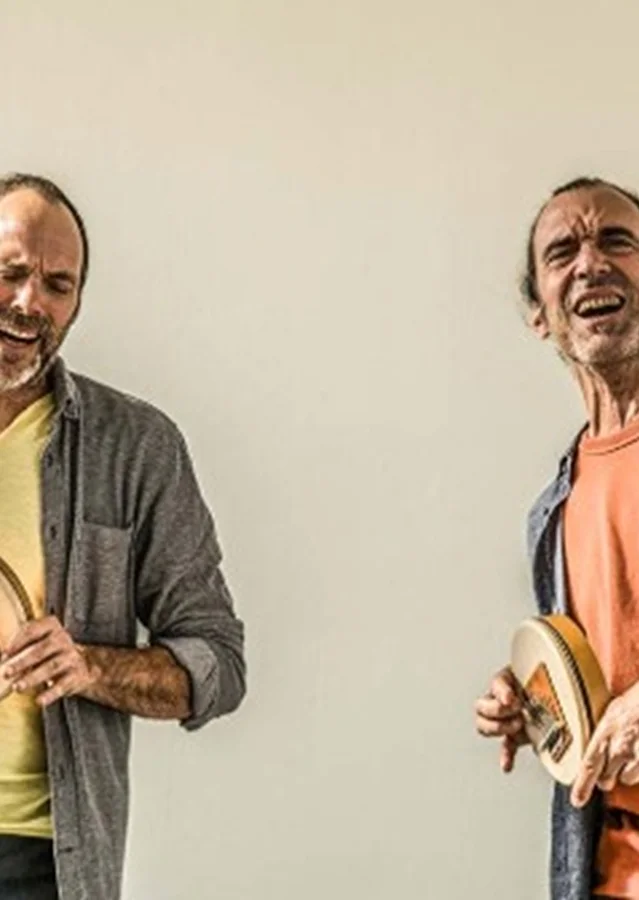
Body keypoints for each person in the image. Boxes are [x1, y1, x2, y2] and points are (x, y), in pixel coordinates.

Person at [0, 173, 246, 900]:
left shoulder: (135, 449)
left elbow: (218, 664)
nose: (30, 302)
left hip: (41, 864)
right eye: (10, 272)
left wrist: (88, 666)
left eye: (58, 285)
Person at [474, 175, 639, 900]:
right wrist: (539, 701)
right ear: (539, 314)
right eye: (562, 252)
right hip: (602, 869)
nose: (590, 264)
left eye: (617, 241)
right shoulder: (553, 509)